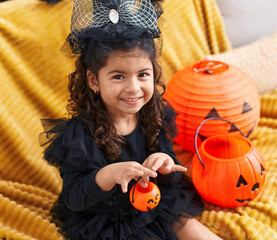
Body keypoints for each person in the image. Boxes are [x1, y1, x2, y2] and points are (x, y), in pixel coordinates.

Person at [40, 0, 222, 239]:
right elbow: (74, 197)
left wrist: (165, 162)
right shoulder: (80, 134)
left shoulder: (153, 116)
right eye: (118, 76)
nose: (133, 88)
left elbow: (173, 174)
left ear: (154, 73)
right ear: (94, 81)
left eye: (143, 74)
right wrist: (110, 174)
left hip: (153, 201)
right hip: (106, 217)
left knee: (190, 227)